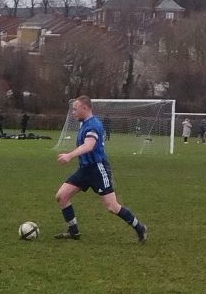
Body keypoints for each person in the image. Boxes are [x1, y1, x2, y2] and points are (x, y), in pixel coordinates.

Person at [52, 95, 147, 243]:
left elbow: (89, 145)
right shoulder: (84, 123)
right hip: (84, 170)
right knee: (61, 196)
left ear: (85, 108)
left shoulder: (93, 125)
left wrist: (70, 156)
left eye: (75, 109)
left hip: (98, 169)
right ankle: (73, 231)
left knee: (112, 206)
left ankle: (139, 227)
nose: (73, 113)